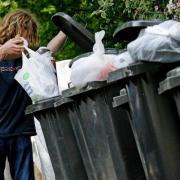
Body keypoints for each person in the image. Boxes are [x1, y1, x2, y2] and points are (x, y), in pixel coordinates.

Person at [0, 9, 67, 180]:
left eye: (30, 35)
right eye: (24, 32)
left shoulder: (30, 59)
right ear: (11, 29)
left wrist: (65, 29)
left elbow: (48, 51)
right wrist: (2, 52)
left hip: (21, 131)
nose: (26, 39)